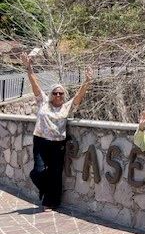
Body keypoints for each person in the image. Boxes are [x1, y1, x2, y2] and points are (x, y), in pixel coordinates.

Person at [21, 52, 93, 210]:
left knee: (55, 173)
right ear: (51, 94)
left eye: (61, 93)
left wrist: (87, 82)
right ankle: (44, 191)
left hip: (58, 144)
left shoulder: (66, 107)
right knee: (38, 171)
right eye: (55, 93)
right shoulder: (43, 102)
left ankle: (51, 202)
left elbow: (78, 97)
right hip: (40, 140)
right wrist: (29, 67)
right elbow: (34, 83)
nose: (58, 95)